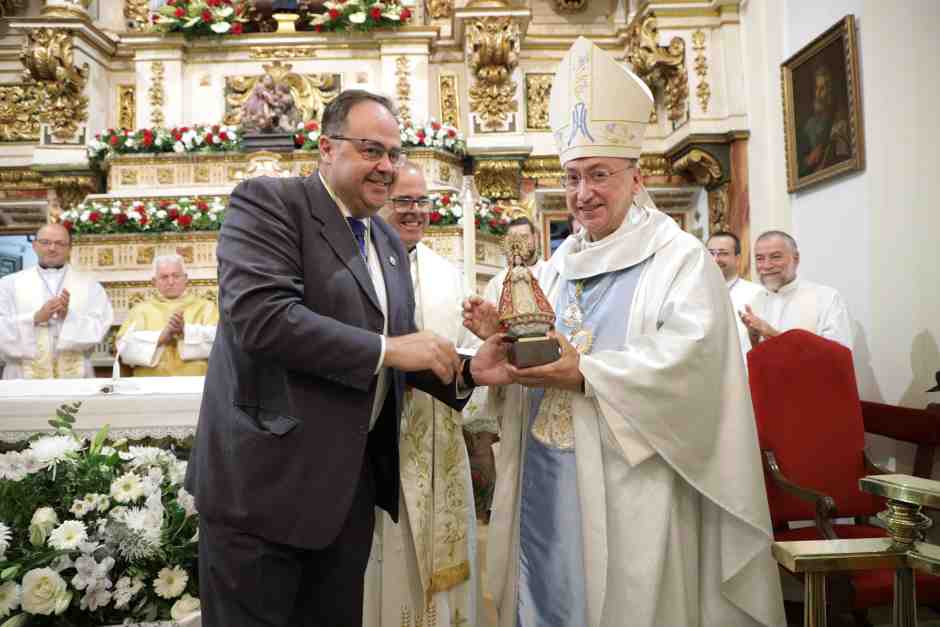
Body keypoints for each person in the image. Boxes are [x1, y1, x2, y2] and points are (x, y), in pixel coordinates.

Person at [462, 37, 785, 627]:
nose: (582, 194)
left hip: (633, 483)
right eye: (572, 176)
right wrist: (500, 337)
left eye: (599, 175)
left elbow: (691, 366)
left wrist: (584, 372)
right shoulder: (554, 268)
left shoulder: (679, 259)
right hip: (546, 474)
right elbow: (529, 350)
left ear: (637, 178)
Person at [185, 89, 510, 627]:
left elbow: (401, 354)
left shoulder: (383, 236)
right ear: (325, 148)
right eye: (370, 150)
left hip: (345, 493)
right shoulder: (269, 204)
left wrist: (472, 369)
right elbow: (261, 317)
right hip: (264, 487)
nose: (386, 166)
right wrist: (390, 348)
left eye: (394, 153)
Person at [364, 162, 482, 627]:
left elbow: (464, 355)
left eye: (422, 202)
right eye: (403, 201)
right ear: (380, 202)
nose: (414, 212)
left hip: (440, 440)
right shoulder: (361, 266)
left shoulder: (446, 274)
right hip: (379, 440)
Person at [0, 223, 113, 379]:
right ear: (34, 245)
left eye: (60, 243)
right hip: (22, 376)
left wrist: (68, 316)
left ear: (69, 248)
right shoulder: (8, 284)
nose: (52, 248)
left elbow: (100, 325)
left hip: (76, 376)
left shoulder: (90, 286)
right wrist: (35, 318)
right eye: (45, 242)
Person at [740, 230, 852, 350]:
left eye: (776, 257)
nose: (767, 265)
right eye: (760, 258)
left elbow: (837, 355)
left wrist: (771, 333)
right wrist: (754, 337)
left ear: (796, 258)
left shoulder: (826, 298)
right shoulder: (754, 302)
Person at [116, 254, 218, 376]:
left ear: (185, 278)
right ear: (154, 282)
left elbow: (220, 343)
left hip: (196, 384)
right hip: (149, 385)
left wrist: (186, 332)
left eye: (176, 276)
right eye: (164, 277)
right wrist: (160, 338)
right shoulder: (140, 310)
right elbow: (122, 348)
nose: (171, 282)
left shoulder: (206, 307)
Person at [706, 230, 763, 363]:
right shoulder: (692, 293)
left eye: (723, 253)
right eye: (710, 253)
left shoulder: (756, 293)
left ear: (738, 258)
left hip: (743, 372)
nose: (715, 259)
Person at [798, 63, 850, 177]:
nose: (818, 94)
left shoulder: (840, 120)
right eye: (817, 88)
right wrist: (809, 160)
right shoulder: (809, 125)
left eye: (822, 89)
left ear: (830, 91)